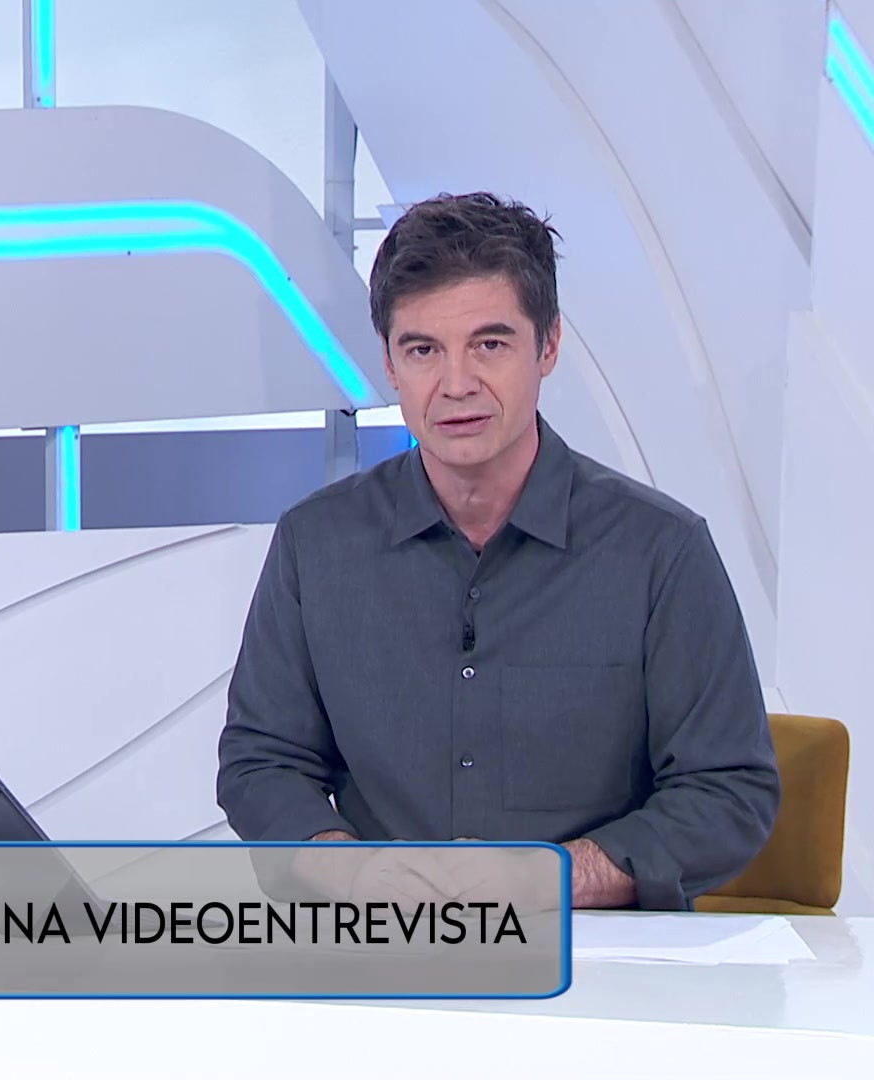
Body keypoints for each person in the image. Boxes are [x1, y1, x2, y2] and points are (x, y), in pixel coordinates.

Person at [216, 193, 779, 911]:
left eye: (490, 344)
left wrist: (555, 878)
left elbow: (729, 790)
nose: (456, 385)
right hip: (383, 946)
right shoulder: (315, 545)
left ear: (548, 346)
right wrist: (350, 872)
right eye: (423, 350)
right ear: (390, 363)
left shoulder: (660, 552)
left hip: (596, 954)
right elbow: (261, 762)